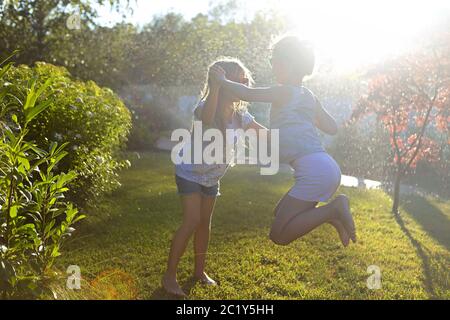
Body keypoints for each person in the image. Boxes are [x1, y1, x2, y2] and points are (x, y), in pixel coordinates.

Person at [209, 36, 356, 249]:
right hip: (325, 166)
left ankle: (333, 210)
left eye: (274, 60)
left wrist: (221, 81)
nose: (272, 65)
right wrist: (307, 114)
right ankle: (333, 216)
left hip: (315, 173)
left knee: (279, 234)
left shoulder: (283, 91)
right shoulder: (308, 96)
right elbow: (331, 127)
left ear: (288, 63)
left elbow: (247, 93)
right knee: (279, 213)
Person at [163, 57, 266, 297]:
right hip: (190, 171)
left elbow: (265, 134)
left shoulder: (241, 115)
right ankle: (169, 277)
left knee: (204, 224)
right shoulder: (205, 106)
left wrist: (292, 133)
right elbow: (208, 119)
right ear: (224, 83)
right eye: (239, 81)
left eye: (245, 80)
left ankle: (199, 272)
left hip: (212, 177)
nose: (244, 84)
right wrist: (216, 85)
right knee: (192, 220)